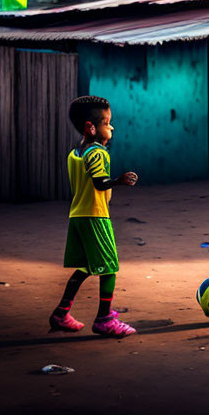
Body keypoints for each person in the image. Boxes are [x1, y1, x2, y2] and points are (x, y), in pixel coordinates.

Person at [49, 96, 138, 337]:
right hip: (95, 216)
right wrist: (118, 180)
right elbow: (100, 184)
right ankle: (104, 319)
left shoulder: (75, 154)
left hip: (78, 215)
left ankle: (61, 313)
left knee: (88, 267)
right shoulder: (98, 153)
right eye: (107, 123)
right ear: (91, 127)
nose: (111, 127)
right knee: (109, 268)